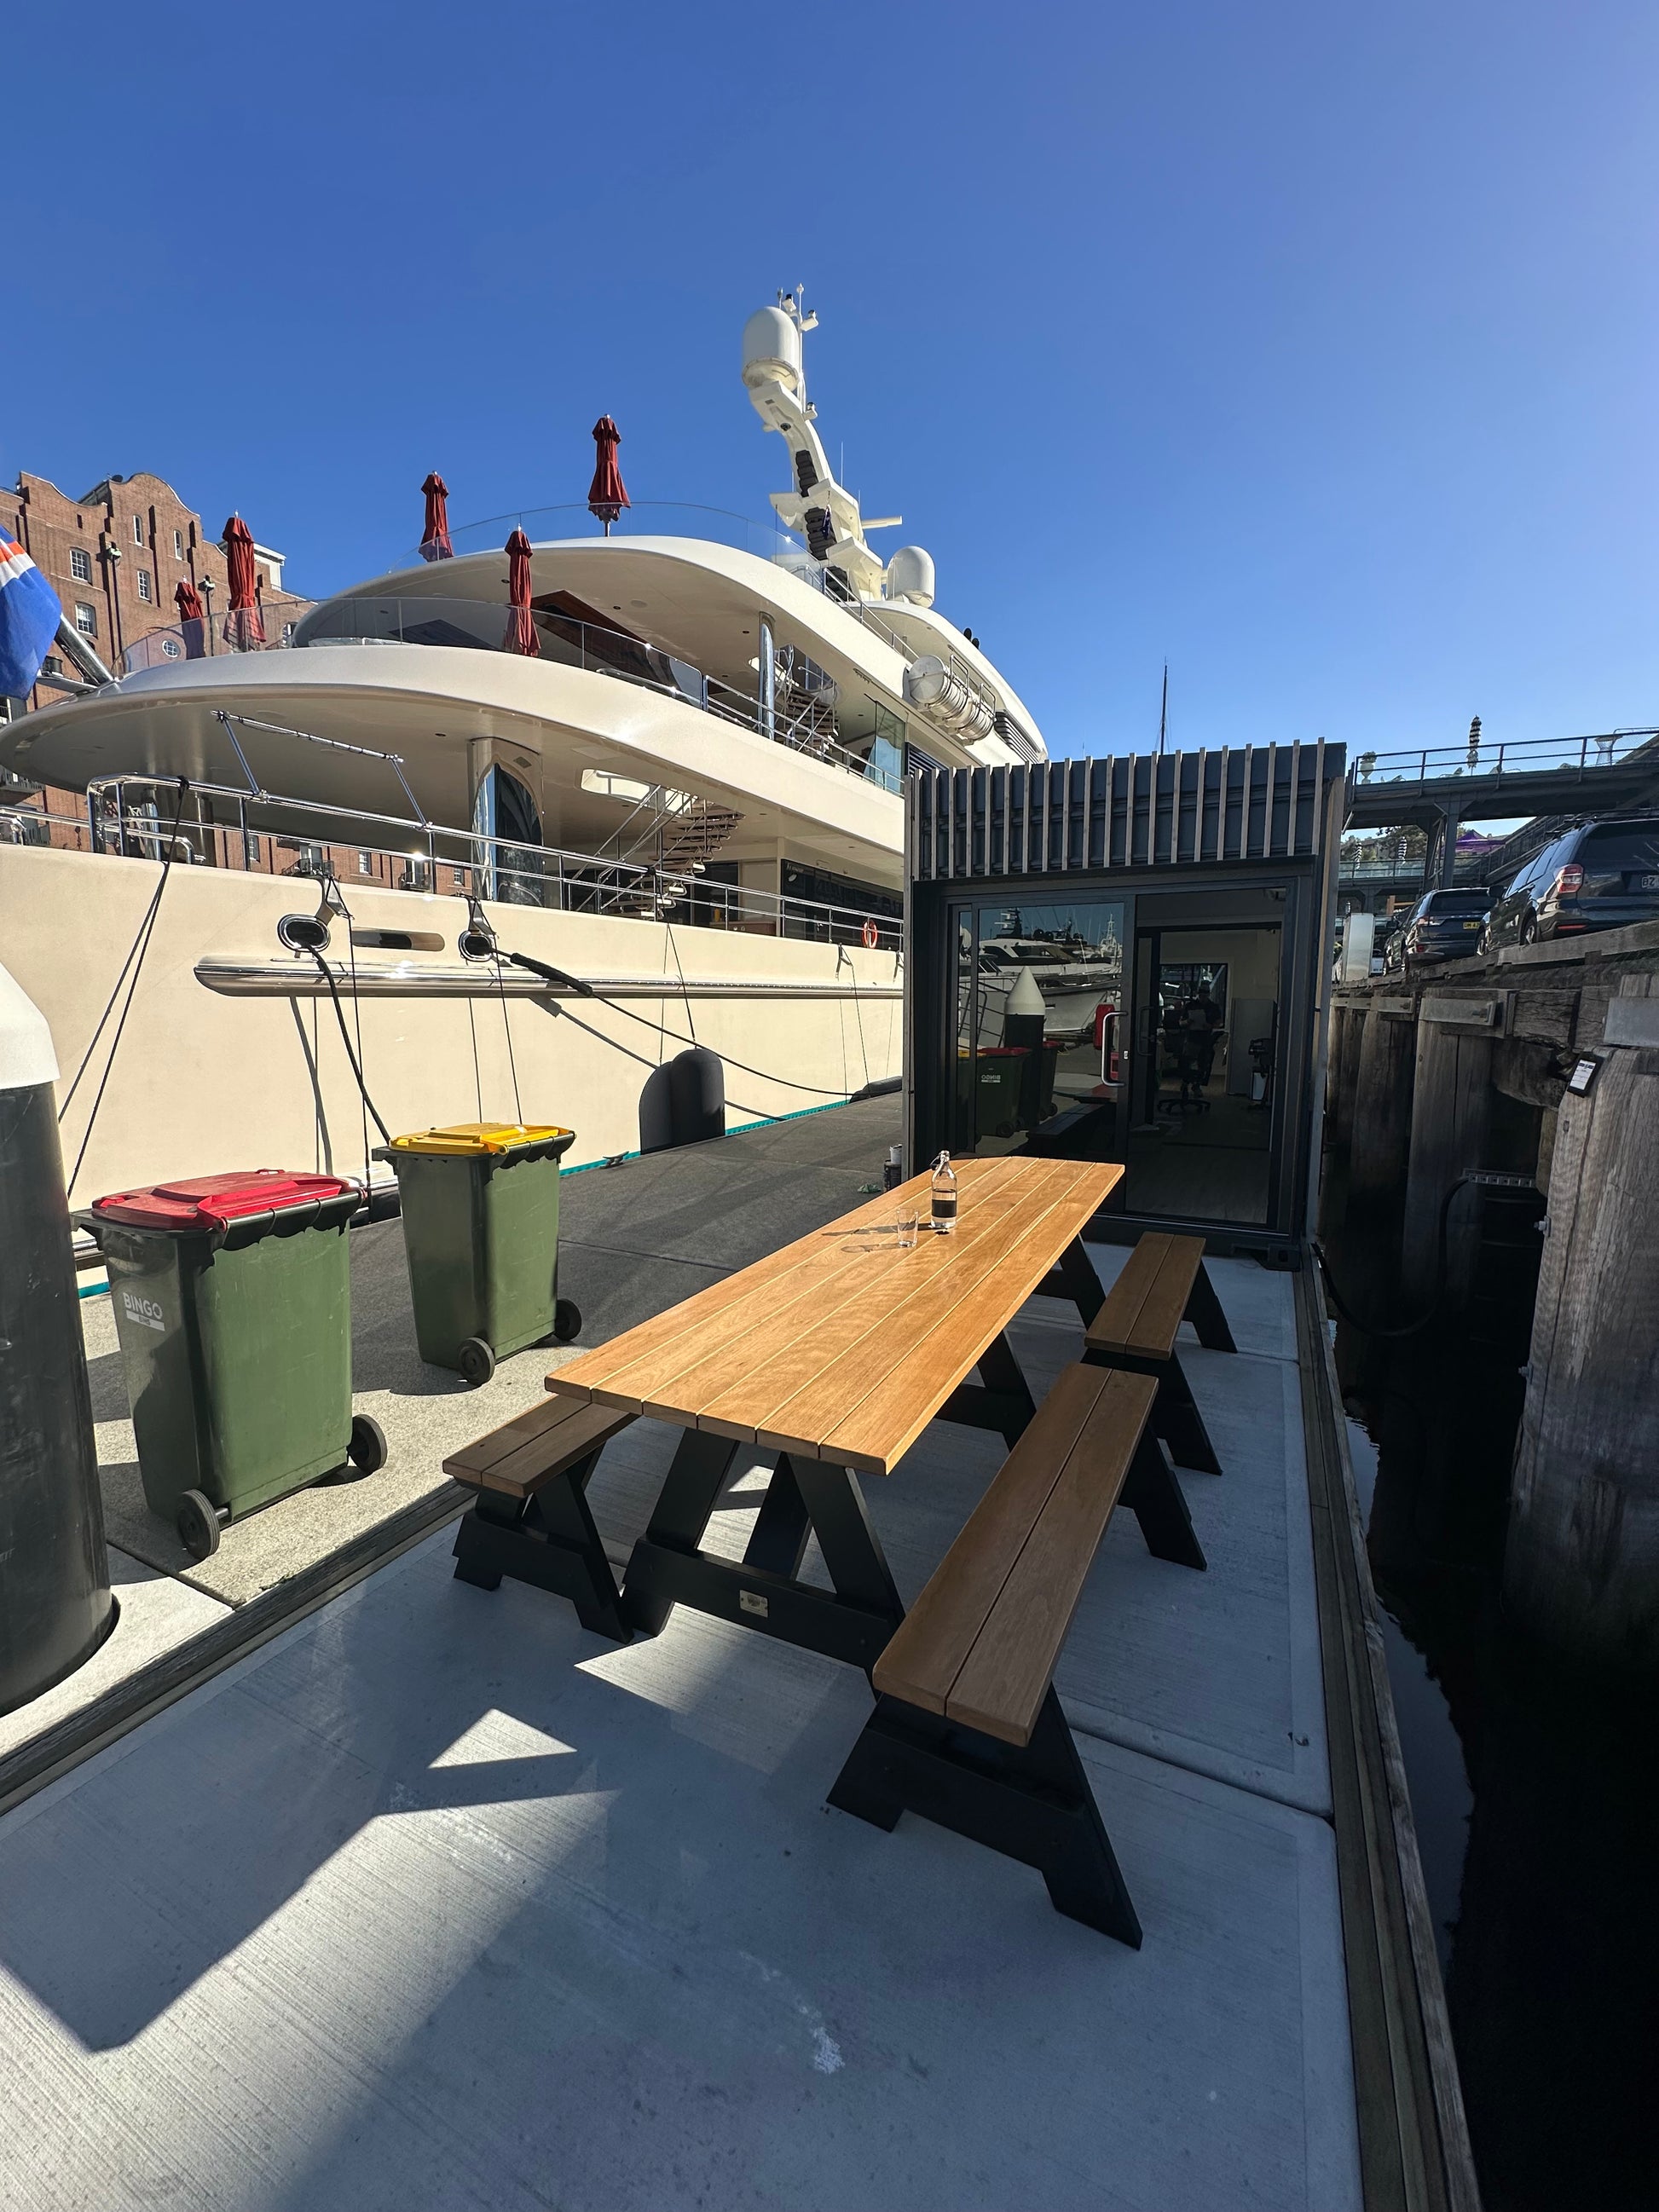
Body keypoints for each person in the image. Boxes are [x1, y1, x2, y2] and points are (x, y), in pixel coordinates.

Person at [1182, 984, 1223, 1089]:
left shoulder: (1213, 1007)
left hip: (1206, 1040)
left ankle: (1197, 1085)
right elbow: (1181, 1022)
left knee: (1203, 1064)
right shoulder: (1190, 1005)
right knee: (1187, 1063)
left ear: (1208, 994)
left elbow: (1219, 1022)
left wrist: (1210, 1026)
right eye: (1201, 994)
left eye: (1205, 994)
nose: (1203, 996)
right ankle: (1185, 1082)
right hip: (1192, 1038)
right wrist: (1188, 1022)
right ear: (1198, 994)